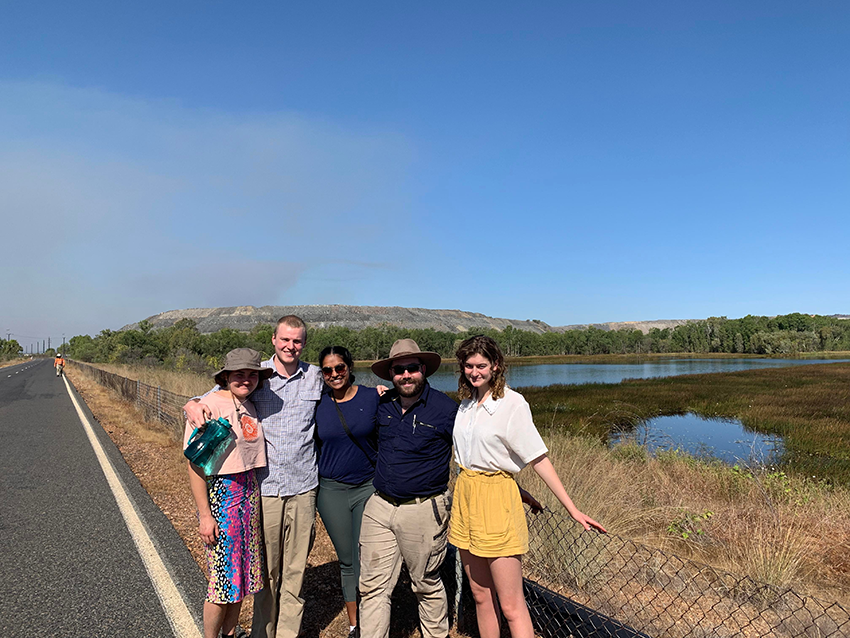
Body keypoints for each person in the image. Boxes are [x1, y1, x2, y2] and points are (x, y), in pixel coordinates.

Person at [449, 335, 607, 638]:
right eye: (468, 365)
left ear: (496, 366)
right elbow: (477, 460)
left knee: (511, 605)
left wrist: (572, 509)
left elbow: (538, 458)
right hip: (466, 498)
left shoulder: (512, 404)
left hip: (497, 502)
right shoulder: (466, 404)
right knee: (481, 596)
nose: (474, 371)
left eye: (481, 365)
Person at [184, 315, 324, 638]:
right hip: (265, 490)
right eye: (285, 340)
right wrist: (190, 404)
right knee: (261, 574)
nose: (291, 346)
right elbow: (207, 401)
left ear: (304, 343)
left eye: (298, 341)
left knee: (290, 573)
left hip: (301, 489)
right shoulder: (257, 375)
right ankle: (261, 632)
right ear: (274, 340)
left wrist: (377, 393)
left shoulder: (313, 377)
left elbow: (344, 385)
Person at [358, 338, 459, 638]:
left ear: (423, 370)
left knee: (425, 583)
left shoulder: (446, 409)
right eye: (398, 370)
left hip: (423, 509)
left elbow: (475, 453)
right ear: (390, 375)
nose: (405, 375)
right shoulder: (383, 404)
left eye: (411, 368)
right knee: (372, 587)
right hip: (380, 506)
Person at [184, 348, 273, 638]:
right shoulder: (209, 407)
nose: (246, 380)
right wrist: (205, 515)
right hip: (223, 495)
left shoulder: (249, 403)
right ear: (225, 376)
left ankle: (230, 634)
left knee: (241, 578)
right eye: (239, 374)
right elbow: (196, 466)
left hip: (249, 493)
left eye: (251, 374)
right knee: (222, 581)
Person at [314, 345, 379, 638]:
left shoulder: (372, 397)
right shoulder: (316, 403)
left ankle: (375, 614)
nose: (334, 374)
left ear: (350, 367)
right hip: (332, 491)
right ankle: (355, 625)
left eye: (340, 368)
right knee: (348, 559)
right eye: (327, 370)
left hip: (367, 486)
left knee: (367, 554)